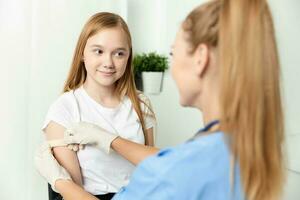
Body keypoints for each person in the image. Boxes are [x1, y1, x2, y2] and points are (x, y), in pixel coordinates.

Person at [35, 0, 285, 199]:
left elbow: (166, 168)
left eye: (173, 53)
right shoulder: (235, 149)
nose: (171, 68)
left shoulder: (177, 168)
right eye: (98, 50)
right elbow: (165, 163)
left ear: (201, 58)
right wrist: (112, 141)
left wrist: (60, 182)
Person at [41, 12, 156, 200]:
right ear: (82, 54)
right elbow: (74, 193)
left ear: (128, 57)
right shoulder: (64, 110)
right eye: (98, 51)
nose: (108, 63)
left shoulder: (140, 104)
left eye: (119, 53)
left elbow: (153, 170)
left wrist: (107, 139)